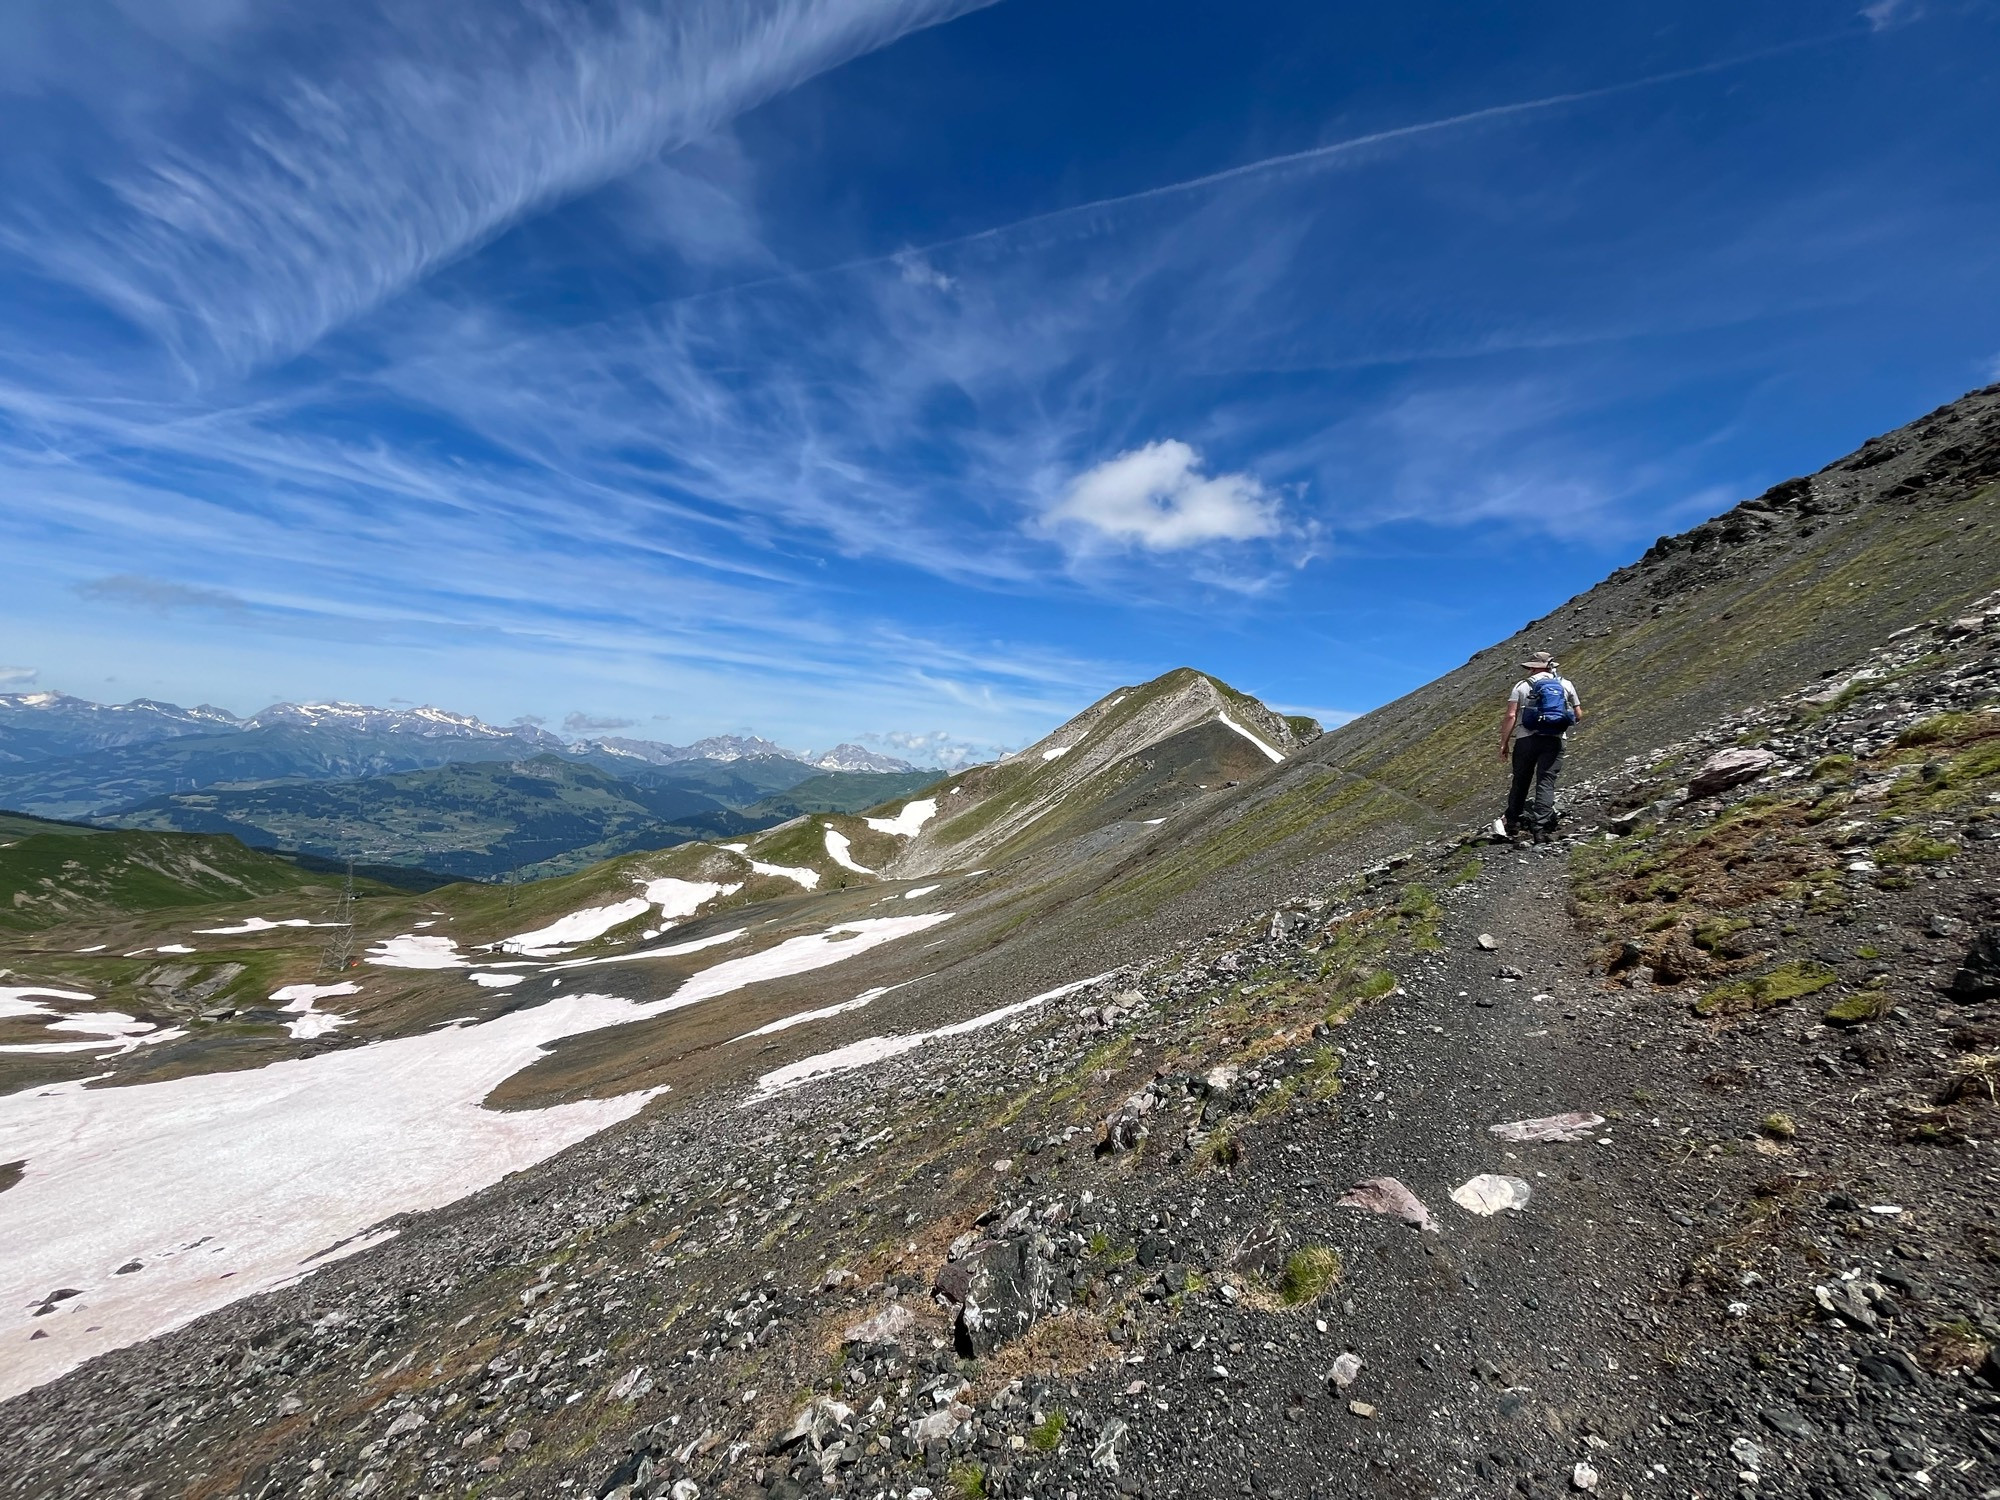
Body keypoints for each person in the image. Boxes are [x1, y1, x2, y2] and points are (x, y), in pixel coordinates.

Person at [1495, 651, 1582, 845]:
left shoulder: (1522, 686)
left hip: (1526, 739)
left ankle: (1513, 824)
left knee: (1521, 780)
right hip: (1554, 740)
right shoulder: (1565, 684)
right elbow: (1578, 714)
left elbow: (1511, 716)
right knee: (1546, 781)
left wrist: (1504, 743)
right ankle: (1540, 829)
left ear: (1532, 667)